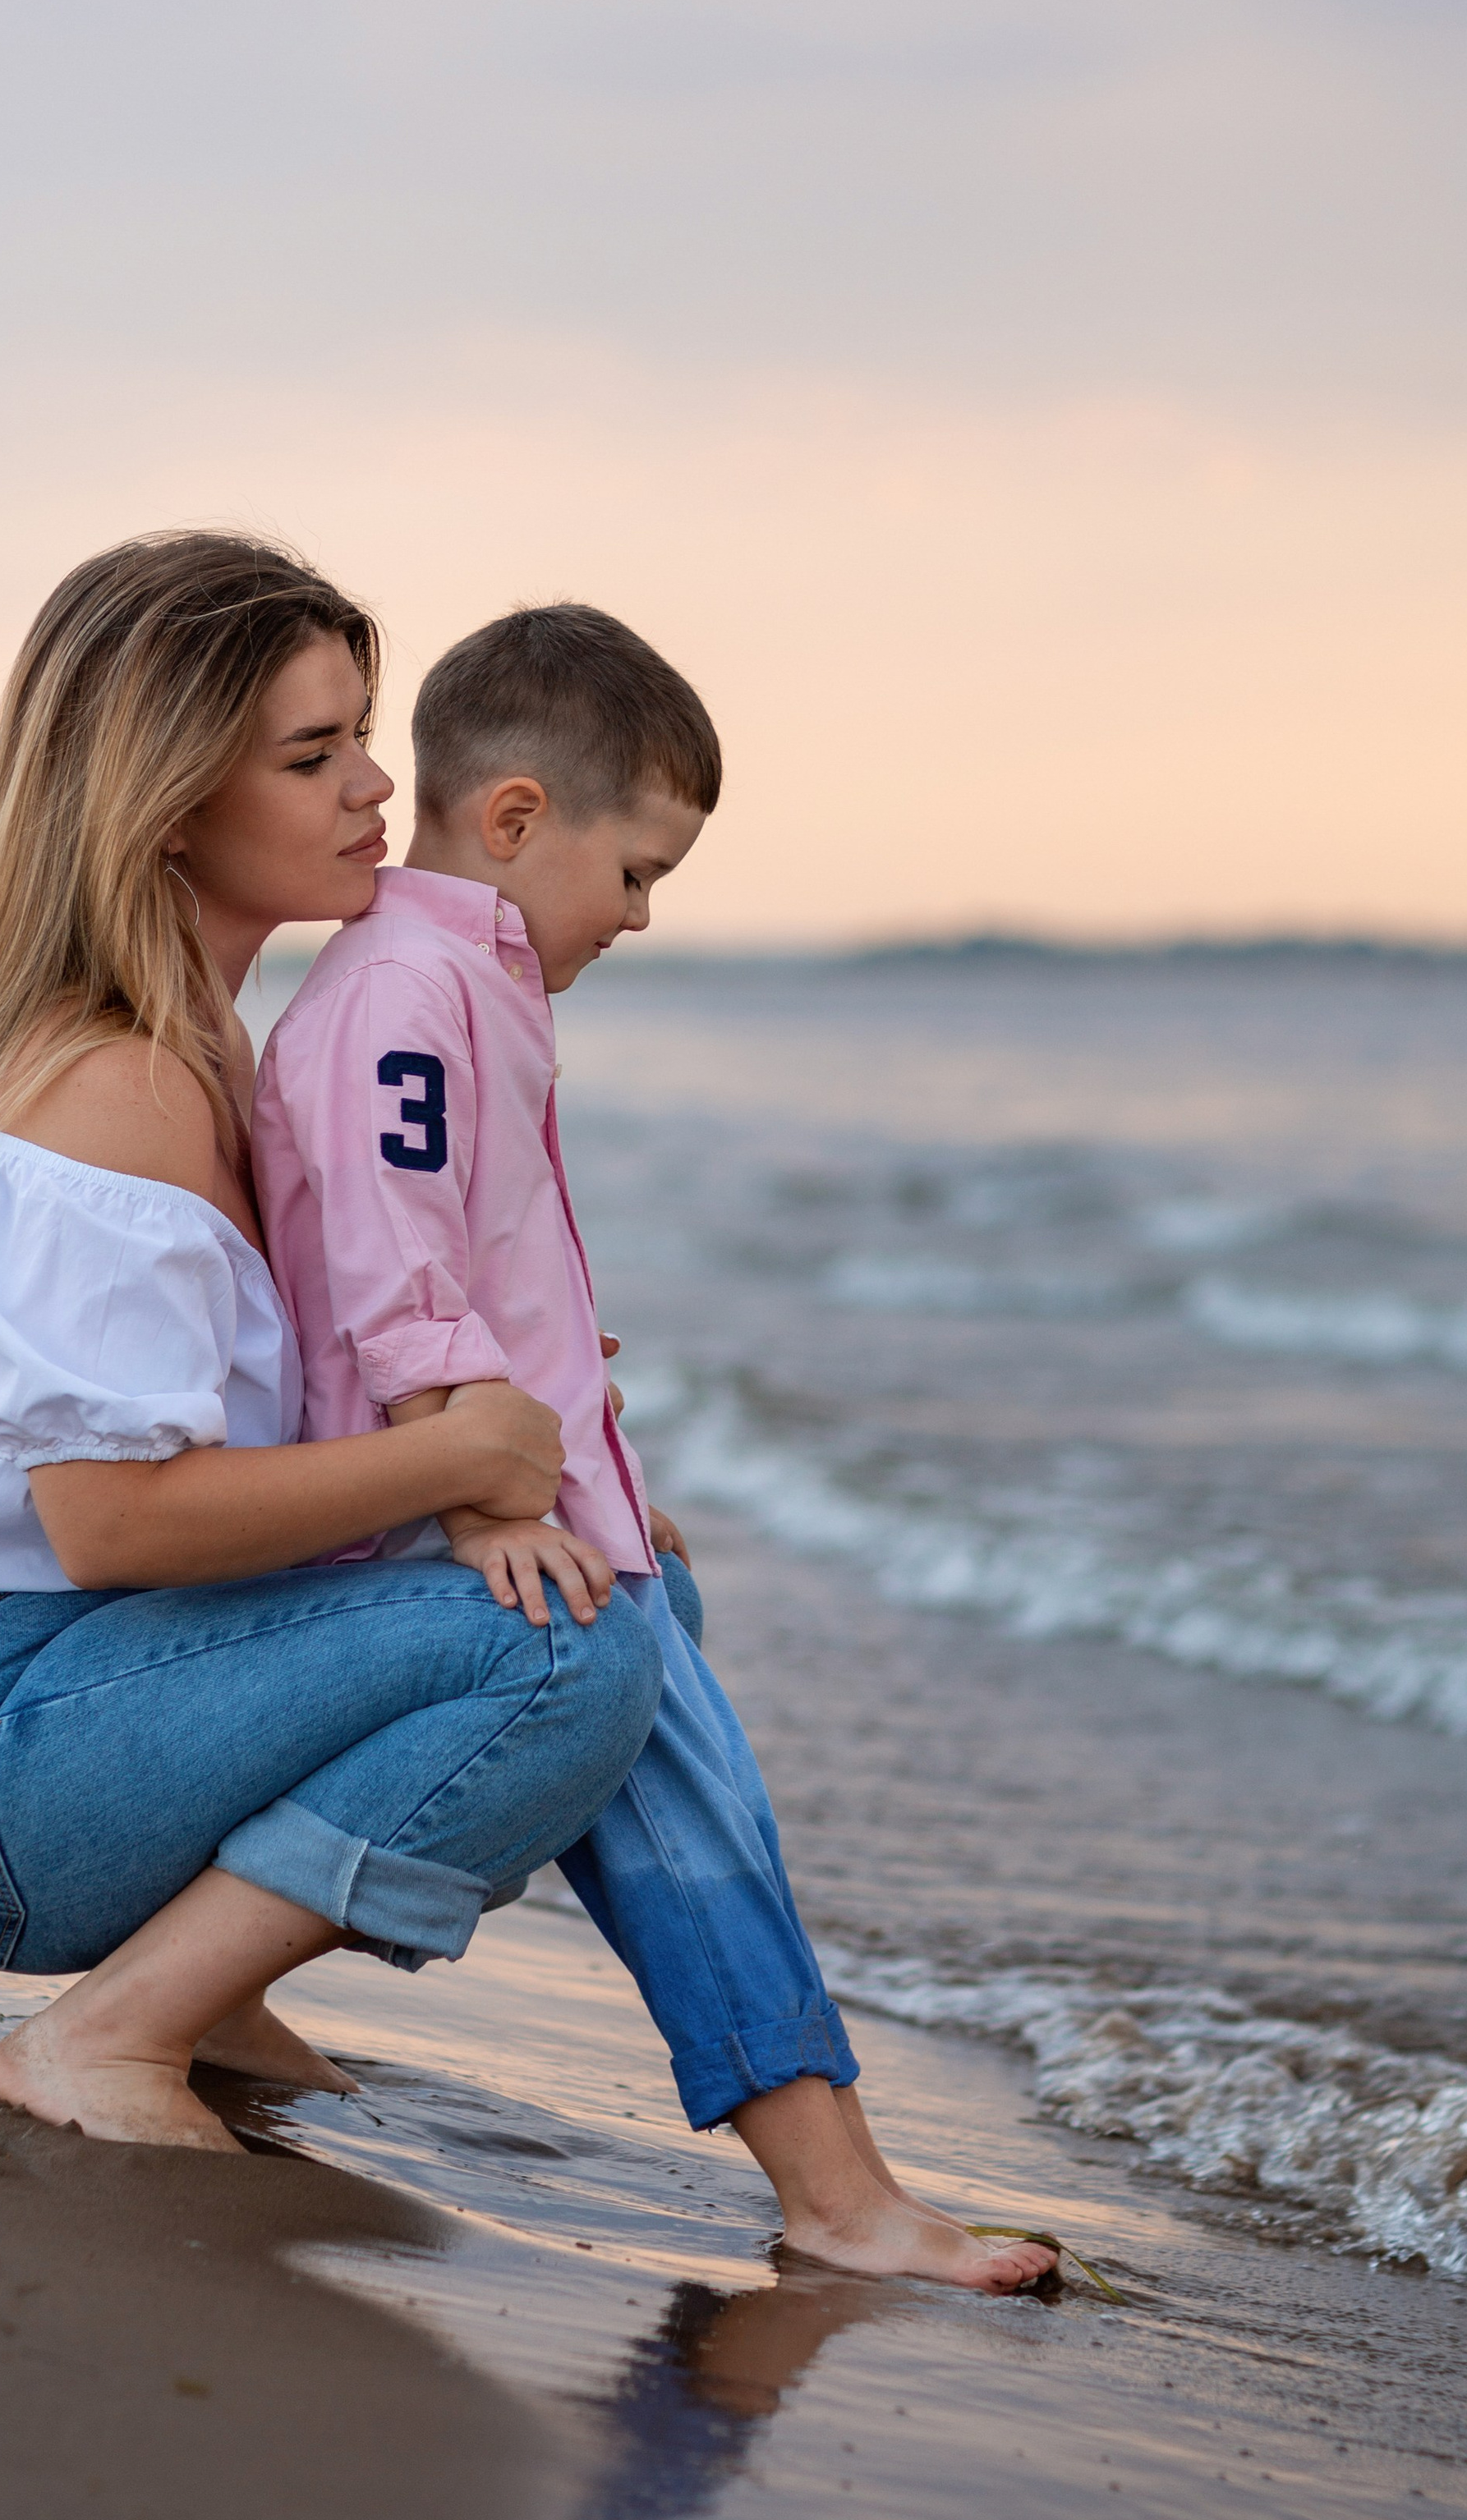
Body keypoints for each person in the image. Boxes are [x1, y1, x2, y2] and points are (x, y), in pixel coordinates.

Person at [0, 535, 661, 2155]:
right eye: (315, 754)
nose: (381, 785)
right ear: (165, 799)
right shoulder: (116, 1086)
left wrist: (505, 1428)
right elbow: (112, 1523)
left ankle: (201, 1987)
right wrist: (453, 1454)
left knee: (592, 1560)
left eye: (362, 731)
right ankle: (112, 2030)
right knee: (568, 1643)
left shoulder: (210, 1048)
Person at [251, 604, 1055, 2291]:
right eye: (637, 871)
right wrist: (480, 1498)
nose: (637, 915)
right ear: (522, 817)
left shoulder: (463, 973)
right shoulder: (409, 987)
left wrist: (604, 1482)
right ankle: (831, 2188)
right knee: (680, 1770)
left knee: (661, 1643)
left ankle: (237, 1981)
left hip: (481, 1482)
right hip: (420, 1508)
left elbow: (500, 1281)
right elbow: (392, 1271)